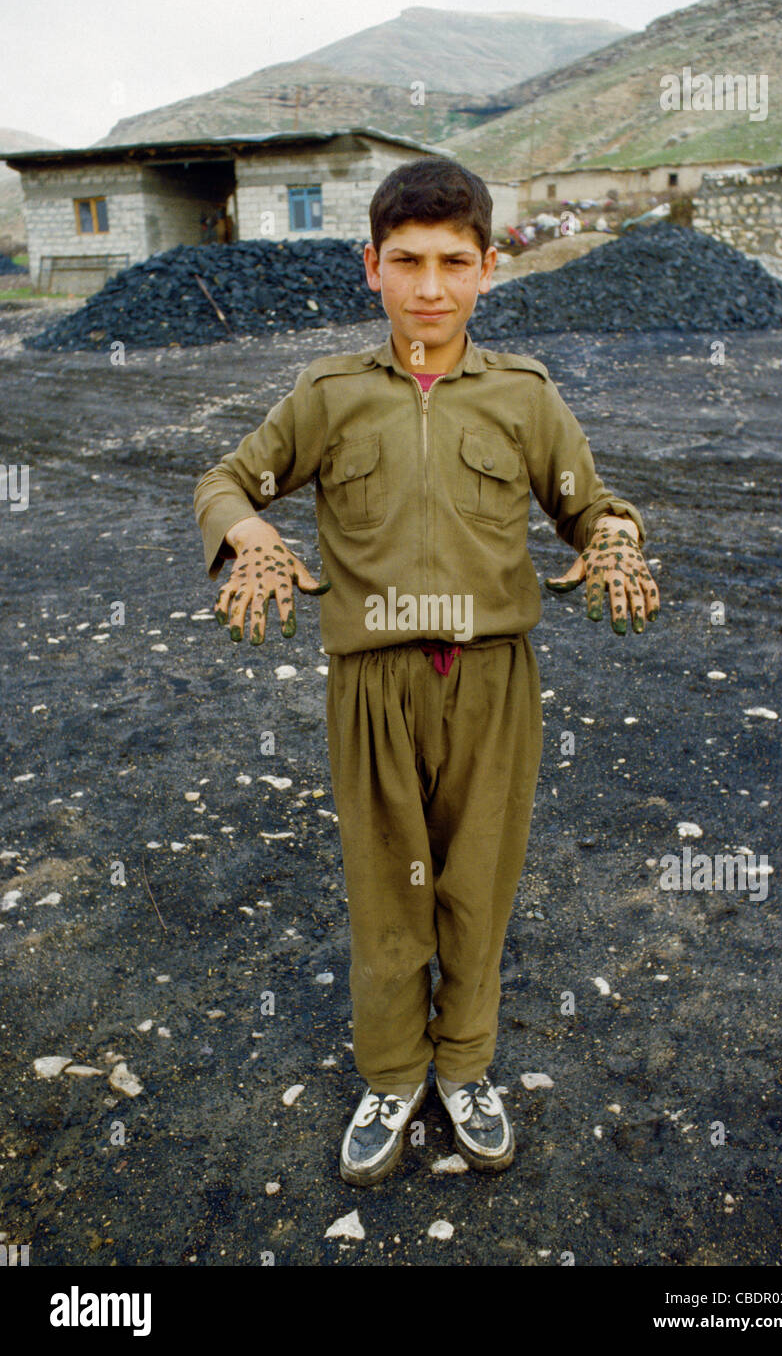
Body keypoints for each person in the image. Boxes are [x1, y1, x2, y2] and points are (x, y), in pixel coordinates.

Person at [193, 158, 660, 1186]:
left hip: (491, 681)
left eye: (454, 261)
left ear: (489, 268)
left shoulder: (523, 397)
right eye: (406, 261)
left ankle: (465, 1066)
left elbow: (589, 502)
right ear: (371, 266)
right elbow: (227, 479)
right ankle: (393, 1075)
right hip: (372, 687)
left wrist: (617, 534)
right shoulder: (328, 396)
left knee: (475, 885)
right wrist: (249, 534)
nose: (430, 286)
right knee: (386, 890)